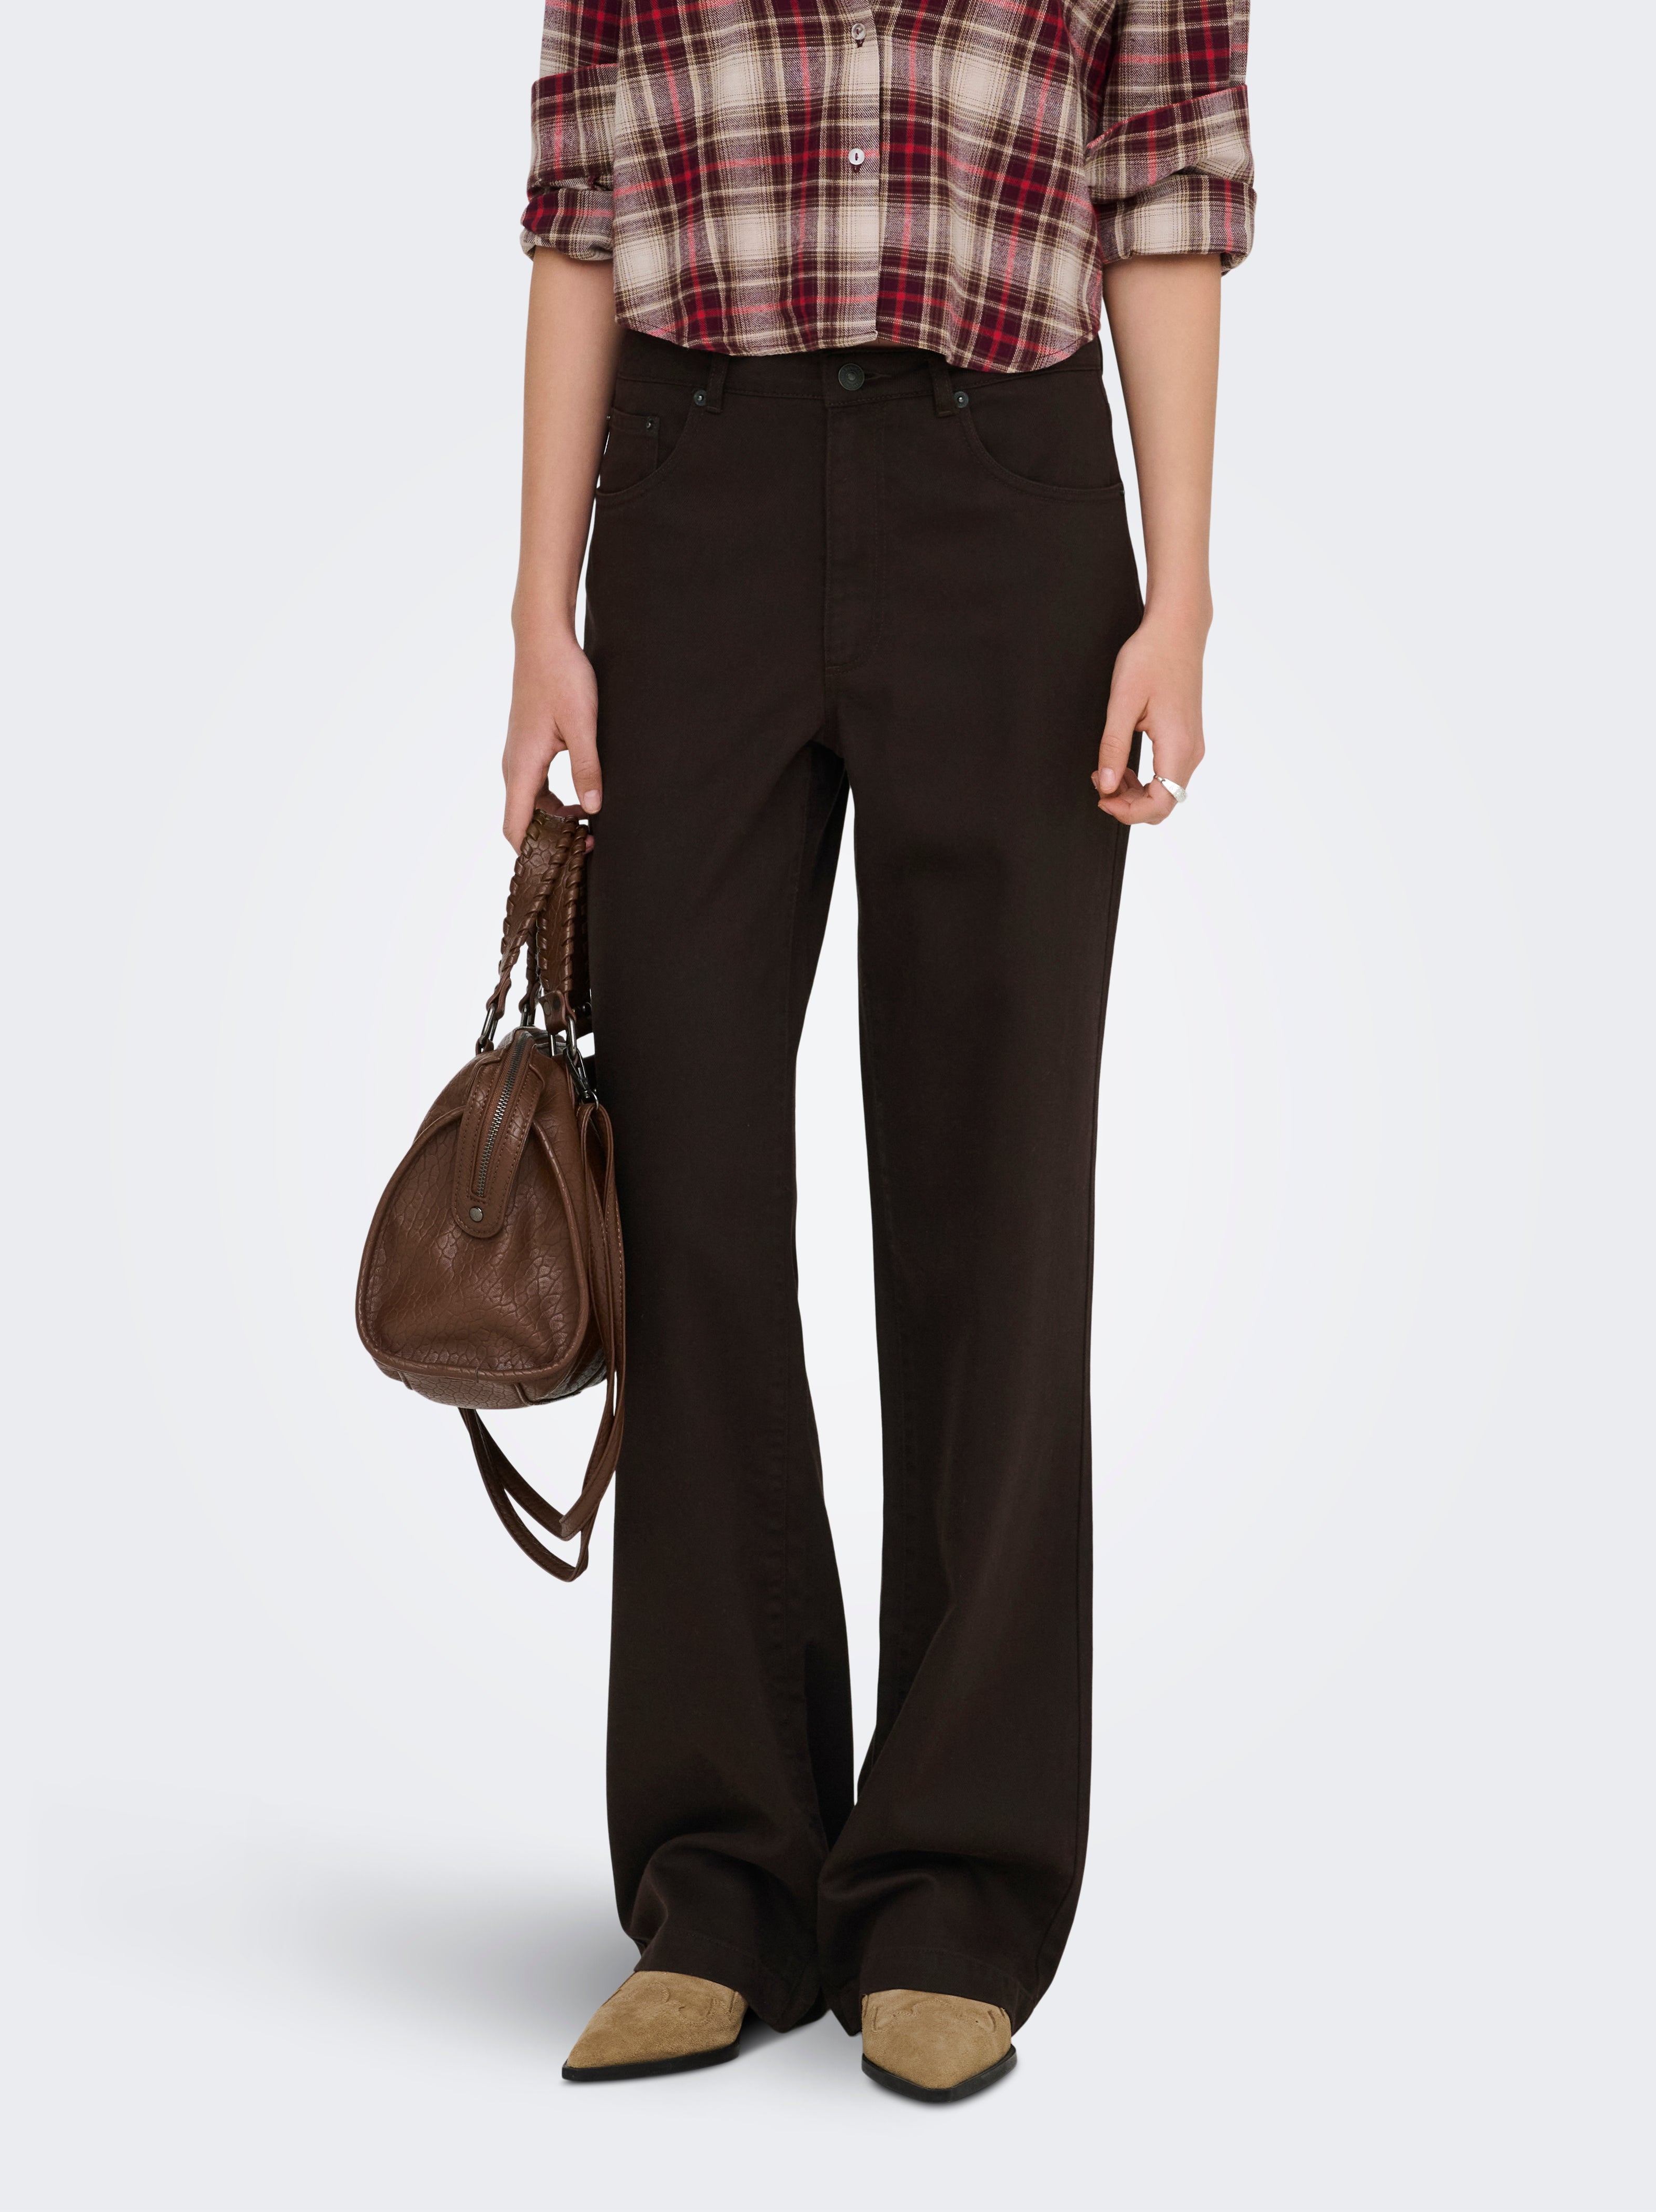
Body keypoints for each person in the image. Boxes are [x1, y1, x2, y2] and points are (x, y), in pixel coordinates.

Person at [501, 0, 1253, 2101]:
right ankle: (723, 1878)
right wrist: (539, 611)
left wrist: (1180, 591)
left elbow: (1166, 183)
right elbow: (581, 200)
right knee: (686, 1188)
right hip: (692, 484)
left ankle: (950, 1889)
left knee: (988, 1192)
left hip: (1003, 482)